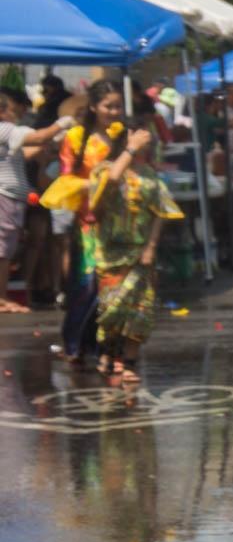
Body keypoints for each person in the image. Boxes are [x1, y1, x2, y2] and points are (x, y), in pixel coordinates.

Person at [83, 127, 182, 383]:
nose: (144, 147)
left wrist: (151, 246)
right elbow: (112, 183)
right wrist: (131, 148)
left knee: (140, 309)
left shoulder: (151, 176)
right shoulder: (103, 171)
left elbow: (161, 212)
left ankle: (129, 362)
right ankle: (109, 352)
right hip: (110, 254)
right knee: (112, 309)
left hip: (140, 253)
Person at [53, 79, 127, 364]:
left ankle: (100, 345)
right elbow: (66, 178)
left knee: (111, 288)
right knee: (86, 285)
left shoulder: (123, 136)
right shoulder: (75, 138)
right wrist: (96, 183)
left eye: (118, 106)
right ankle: (73, 342)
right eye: (109, 106)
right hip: (87, 222)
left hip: (118, 223)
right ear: (94, 107)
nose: (114, 111)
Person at [0, 88, 73, 314]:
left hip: (11, 198)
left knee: (6, 250)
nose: (17, 114)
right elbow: (38, 137)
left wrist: (51, 142)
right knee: (2, 252)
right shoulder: (4, 128)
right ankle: (1, 298)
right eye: (12, 110)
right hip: (5, 197)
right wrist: (63, 123)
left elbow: (26, 151)